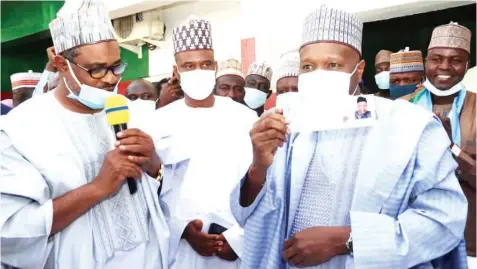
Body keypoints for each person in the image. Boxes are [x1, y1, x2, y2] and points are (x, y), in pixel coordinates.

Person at [231, 5, 468, 269]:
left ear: (359, 68)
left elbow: (444, 220)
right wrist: (258, 167)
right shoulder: (286, 127)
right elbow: (249, 218)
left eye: (333, 64)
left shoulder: (410, 126)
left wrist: (346, 240)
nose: (319, 74)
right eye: (308, 66)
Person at [0, 1, 169, 268]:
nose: (112, 79)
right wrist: (97, 188)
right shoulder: (20, 130)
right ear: (61, 64)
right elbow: (9, 232)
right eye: (97, 69)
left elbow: (166, 194)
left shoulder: (134, 113)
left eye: (117, 66)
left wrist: (154, 166)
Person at [147, 17, 258, 269]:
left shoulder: (246, 119)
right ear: (176, 71)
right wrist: (183, 230)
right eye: (189, 66)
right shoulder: (157, 123)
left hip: (236, 249)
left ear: (215, 67)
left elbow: (262, 183)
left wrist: (238, 240)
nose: (198, 71)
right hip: (181, 250)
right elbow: (150, 191)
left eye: (205, 64)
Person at [402, 22, 476, 267]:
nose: (444, 67)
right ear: (426, 62)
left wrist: (450, 148)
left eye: (455, 60)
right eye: (436, 58)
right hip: (410, 237)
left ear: (466, 65)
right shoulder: (401, 108)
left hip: (469, 236)